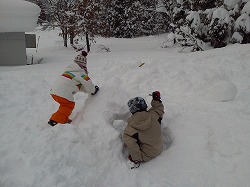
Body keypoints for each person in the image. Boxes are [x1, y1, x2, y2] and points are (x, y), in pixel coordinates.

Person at [48, 51, 99, 126]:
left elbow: (79, 86)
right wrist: (93, 90)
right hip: (63, 93)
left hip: (54, 92)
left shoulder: (69, 71)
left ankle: (63, 118)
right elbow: (87, 83)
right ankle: (55, 120)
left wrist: (88, 91)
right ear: (83, 66)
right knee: (68, 105)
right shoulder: (80, 73)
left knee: (64, 105)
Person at [123, 91, 164, 166]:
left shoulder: (131, 128)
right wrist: (156, 100)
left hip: (148, 154)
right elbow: (159, 108)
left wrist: (136, 158)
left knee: (132, 139)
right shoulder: (154, 114)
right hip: (160, 146)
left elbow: (132, 145)